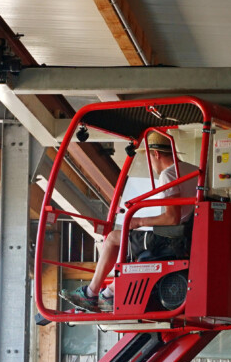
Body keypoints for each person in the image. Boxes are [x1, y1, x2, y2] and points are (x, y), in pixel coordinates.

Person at [62, 131, 199, 311]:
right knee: (130, 242)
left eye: (149, 157)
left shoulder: (169, 174)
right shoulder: (193, 170)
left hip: (171, 239)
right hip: (188, 235)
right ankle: (109, 292)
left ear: (156, 154)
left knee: (112, 238)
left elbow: (172, 218)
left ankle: (91, 293)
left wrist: (140, 221)